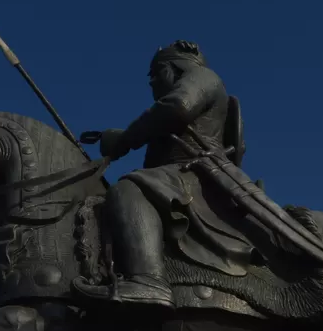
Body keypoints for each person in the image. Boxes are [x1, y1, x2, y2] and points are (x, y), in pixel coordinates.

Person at [73, 40, 253, 308]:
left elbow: (177, 106)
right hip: (179, 173)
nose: (152, 82)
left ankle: (148, 281)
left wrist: (125, 139)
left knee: (129, 188)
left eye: (157, 72)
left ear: (175, 69)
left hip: (195, 173)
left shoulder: (203, 77)